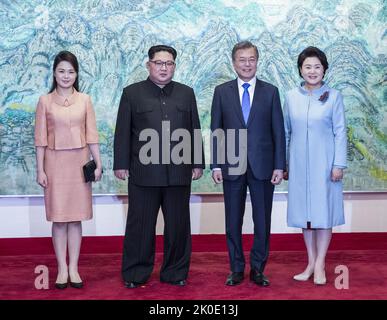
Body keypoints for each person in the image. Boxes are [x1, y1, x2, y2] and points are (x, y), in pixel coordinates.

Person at [113, 45, 204, 288]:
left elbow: (194, 129)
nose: (164, 67)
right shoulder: (132, 93)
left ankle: (175, 272)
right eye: (159, 63)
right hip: (144, 173)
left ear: (174, 66)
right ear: (148, 65)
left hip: (178, 172)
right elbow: (122, 131)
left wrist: (197, 162)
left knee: (178, 226)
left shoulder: (186, 93)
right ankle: (135, 273)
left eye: (169, 63)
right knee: (140, 226)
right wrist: (120, 163)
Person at [210, 41, 286, 287]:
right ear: (234, 63)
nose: (246, 64)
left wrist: (279, 165)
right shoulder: (222, 92)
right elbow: (217, 130)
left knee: (262, 221)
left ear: (257, 61)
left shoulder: (271, 91)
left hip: (263, 166)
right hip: (231, 166)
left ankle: (258, 269)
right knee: (233, 221)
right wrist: (216, 164)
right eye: (242, 59)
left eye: (251, 59)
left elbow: (278, 131)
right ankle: (236, 268)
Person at [34, 51, 102, 289]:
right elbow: (40, 139)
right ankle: (61, 269)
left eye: (71, 71)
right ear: (54, 72)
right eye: (62, 71)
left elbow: (92, 135)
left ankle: (74, 267)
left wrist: (98, 163)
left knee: (75, 219)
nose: (66, 76)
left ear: (76, 74)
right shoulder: (45, 101)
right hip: (53, 164)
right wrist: (40, 170)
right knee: (60, 219)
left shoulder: (85, 100)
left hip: (79, 163)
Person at [283, 46, 347, 285]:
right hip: (299, 166)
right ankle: (310, 262)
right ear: (300, 69)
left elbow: (341, 133)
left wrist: (338, 163)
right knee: (305, 216)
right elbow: (286, 132)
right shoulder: (290, 97)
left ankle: (320, 264)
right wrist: (285, 164)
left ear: (324, 69)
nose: (312, 71)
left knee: (323, 214)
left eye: (317, 67)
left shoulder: (334, 96)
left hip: (326, 165)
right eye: (307, 66)